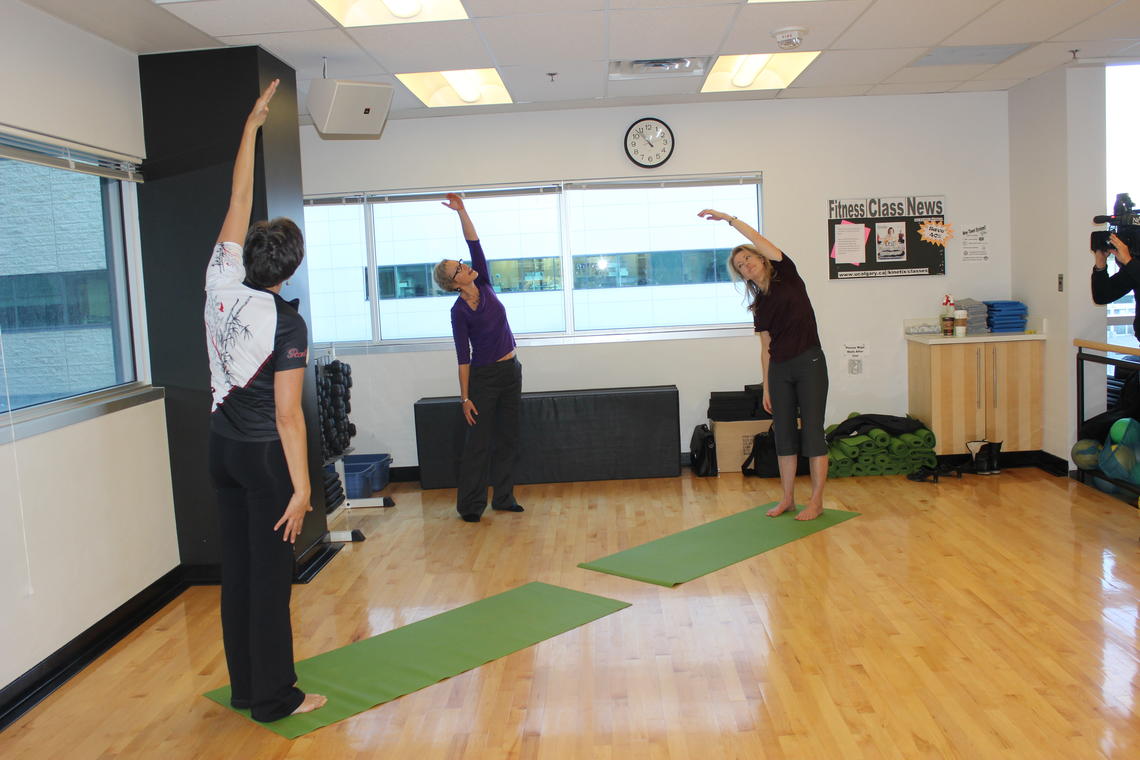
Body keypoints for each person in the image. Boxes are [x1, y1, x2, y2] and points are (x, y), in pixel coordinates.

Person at [204, 79, 326, 721]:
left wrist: (250, 128)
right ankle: (276, 700)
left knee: (239, 575)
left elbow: (238, 196)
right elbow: (286, 416)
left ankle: (247, 688)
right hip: (261, 461)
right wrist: (303, 489)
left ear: (251, 255)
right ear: (290, 270)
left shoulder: (220, 280)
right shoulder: (286, 322)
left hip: (220, 450)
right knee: (270, 581)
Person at [699, 209, 829, 520]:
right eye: (740, 266)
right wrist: (767, 385)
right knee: (783, 435)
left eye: (748, 259)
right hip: (781, 370)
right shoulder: (759, 304)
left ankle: (816, 501)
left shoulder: (788, 274)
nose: (746, 265)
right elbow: (765, 348)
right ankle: (787, 499)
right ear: (741, 274)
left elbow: (756, 237)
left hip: (809, 362)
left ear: (761, 258)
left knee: (812, 433)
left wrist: (728, 219)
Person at [432, 193, 524, 523]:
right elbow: (462, 357)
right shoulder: (459, 312)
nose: (465, 266)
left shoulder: (482, 281)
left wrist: (462, 211)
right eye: (459, 269)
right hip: (484, 379)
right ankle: (470, 506)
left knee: (509, 438)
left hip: (511, 371)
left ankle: (503, 497)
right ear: (452, 283)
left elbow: (474, 243)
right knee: (479, 445)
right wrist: (465, 398)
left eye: (462, 263)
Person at [1091, 232, 1140, 339]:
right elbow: (1102, 296)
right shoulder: (1135, 266)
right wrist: (1101, 263)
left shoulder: (1133, 266)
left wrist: (1128, 261)